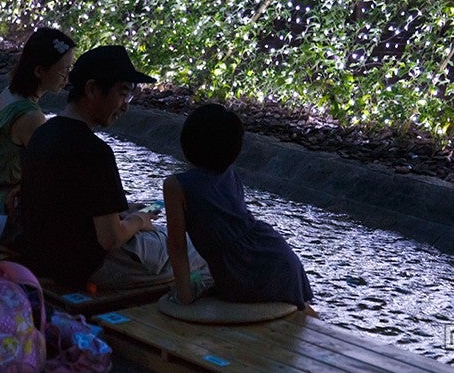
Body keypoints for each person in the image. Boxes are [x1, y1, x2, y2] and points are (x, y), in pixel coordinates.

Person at [18, 45, 207, 290]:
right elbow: (110, 238)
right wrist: (139, 219)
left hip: (45, 259)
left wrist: (123, 212)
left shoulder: (43, 133)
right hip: (91, 267)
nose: (125, 106)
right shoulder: (95, 151)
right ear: (92, 89)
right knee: (198, 245)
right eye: (122, 93)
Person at [163, 103, 314, 310]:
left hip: (244, 269)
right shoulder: (229, 173)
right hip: (278, 256)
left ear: (186, 142)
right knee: (300, 315)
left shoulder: (175, 185)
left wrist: (184, 296)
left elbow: (177, 247)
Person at [0, 27, 75, 215]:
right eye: (63, 71)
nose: (67, 79)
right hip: (7, 210)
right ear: (39, 71)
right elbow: (51, 176)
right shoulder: (31, 117)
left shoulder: (6, 95)